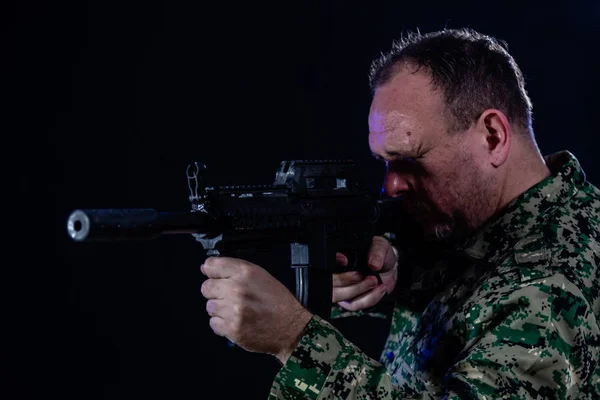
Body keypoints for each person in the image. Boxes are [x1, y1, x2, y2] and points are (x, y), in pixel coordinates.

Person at [200, 28, 600, 399]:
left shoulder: (553, 287)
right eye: (385, 163)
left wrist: (295, 339)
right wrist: (391, 269)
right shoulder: (485, 218)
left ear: (493, 136)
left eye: (411, 160)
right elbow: (469, 286)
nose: (391, 186)